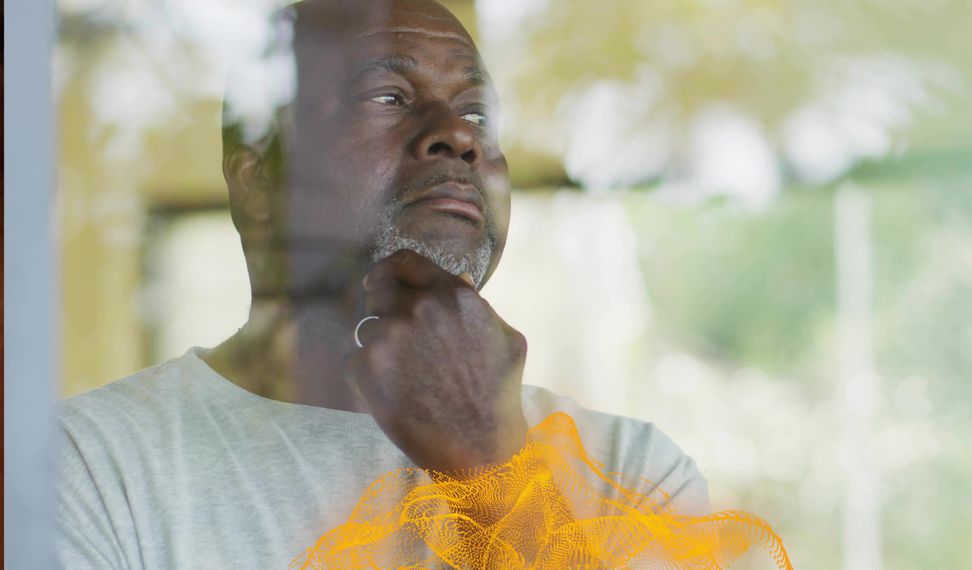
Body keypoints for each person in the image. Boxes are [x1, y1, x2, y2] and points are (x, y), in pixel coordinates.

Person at [55, 0, 713, 567]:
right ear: (259, 181)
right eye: (389, 97)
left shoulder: (633, 472)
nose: (458, 135)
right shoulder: (84, 466)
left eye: (478, 115)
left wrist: (489, 466)